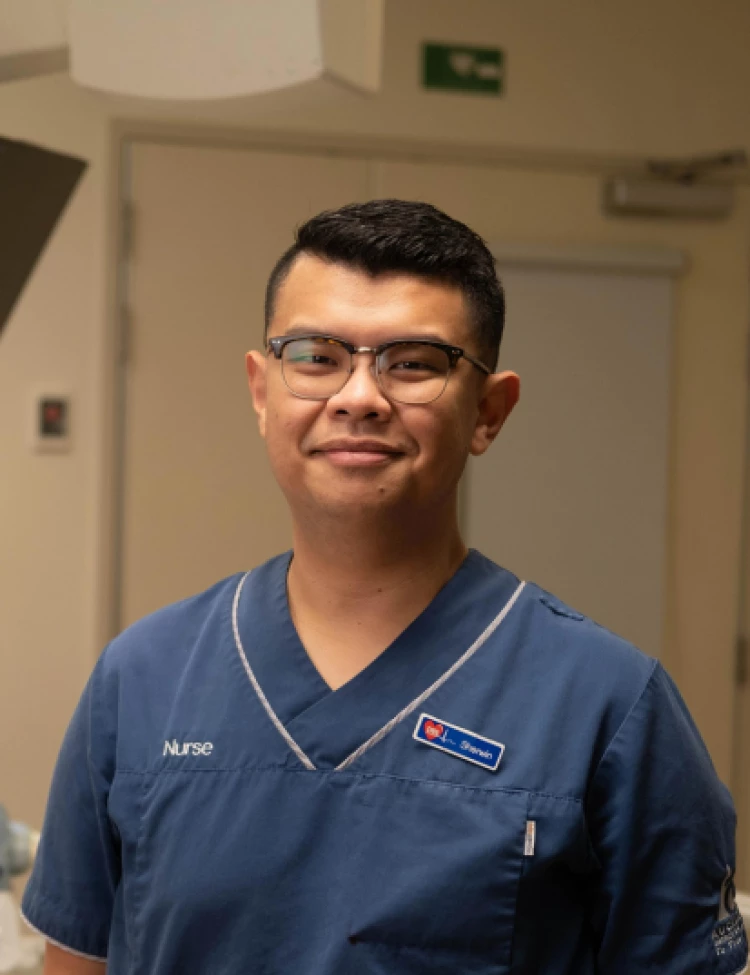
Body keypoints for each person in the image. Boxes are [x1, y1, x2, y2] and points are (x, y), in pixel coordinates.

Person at [23, 199, 748, 975]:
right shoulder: (142, 680)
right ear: (262, 390)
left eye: (412, 363)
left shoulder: (608, 707)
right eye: (315, 355)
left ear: (490, 411)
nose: (360, 396)